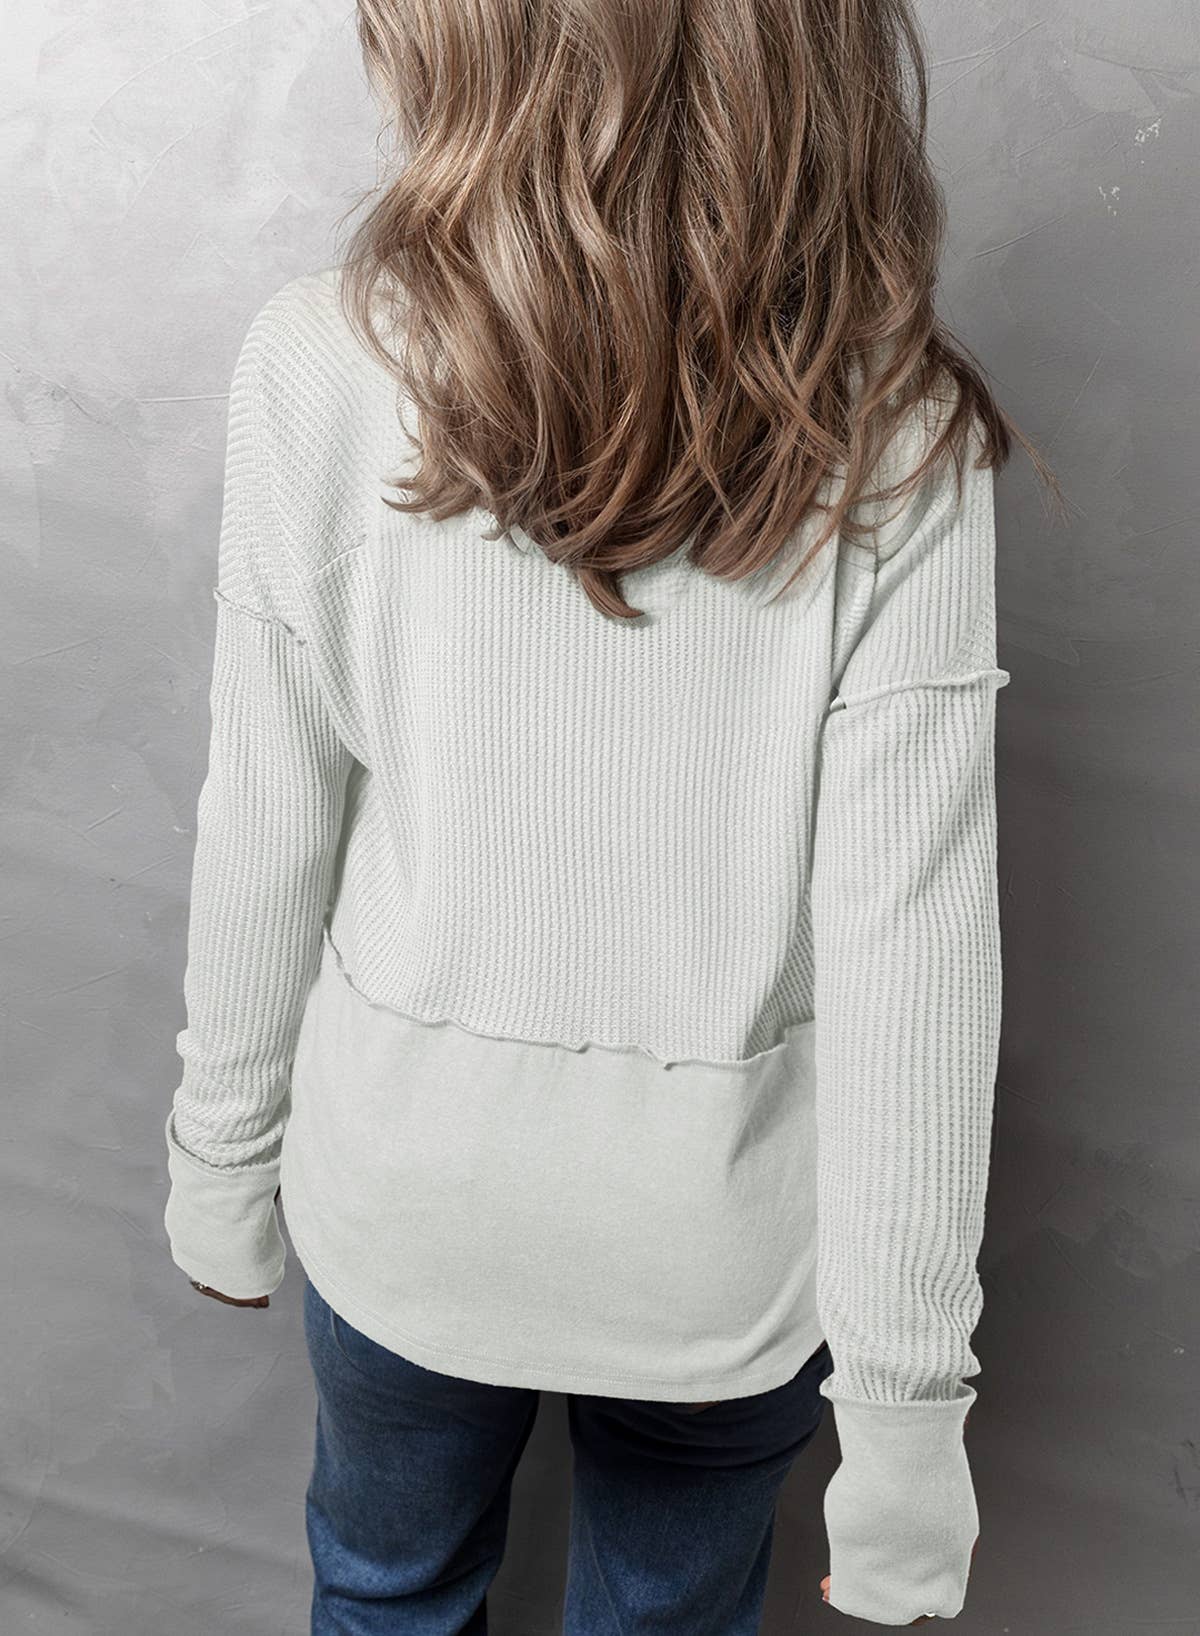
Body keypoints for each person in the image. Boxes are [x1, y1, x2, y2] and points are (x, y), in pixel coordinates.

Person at [162, 2, 1061, 1630]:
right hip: (718, 1251)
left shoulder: (320, 357)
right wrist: (906, 1415)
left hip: (409, 1205)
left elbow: (270, 812)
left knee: (383, 1598)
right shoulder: (898, 426)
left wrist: (221, 1157)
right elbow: (914, 949)